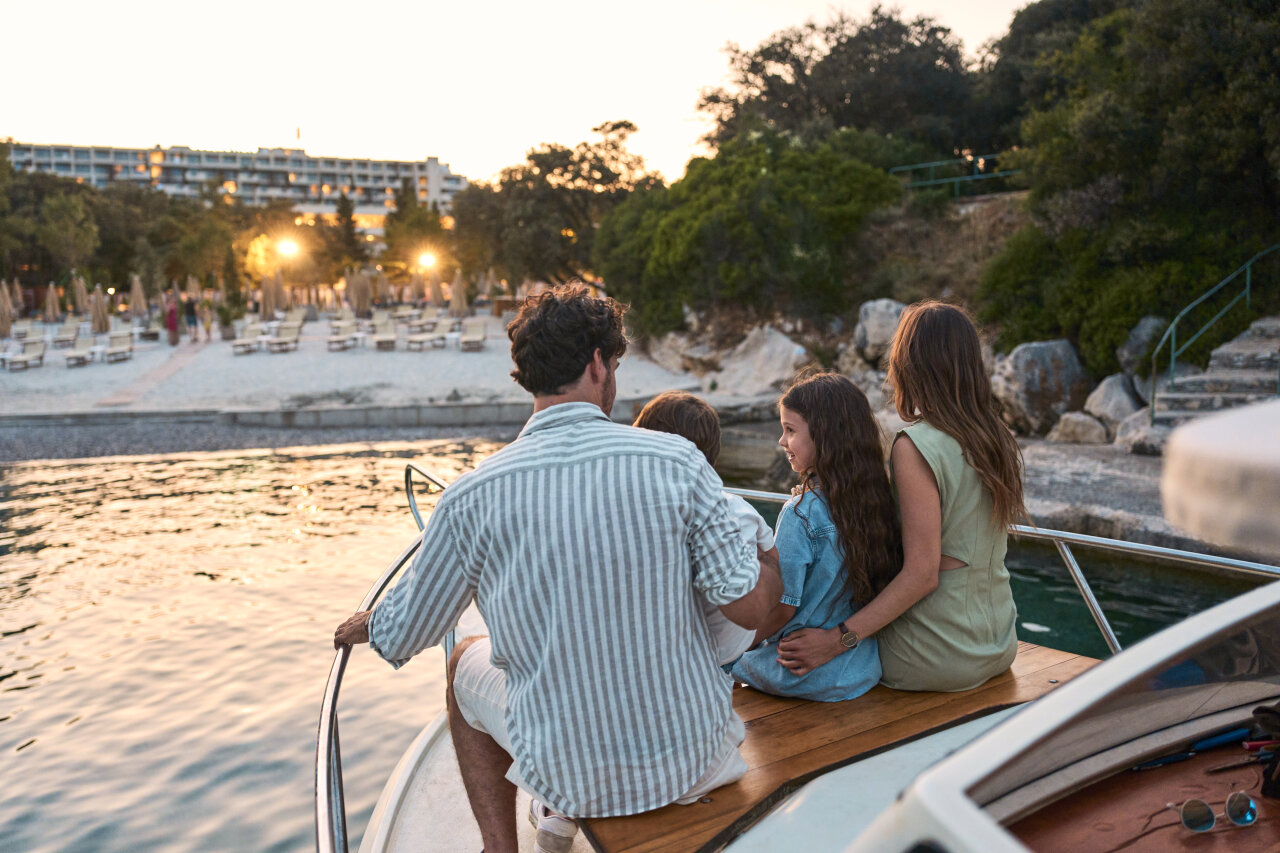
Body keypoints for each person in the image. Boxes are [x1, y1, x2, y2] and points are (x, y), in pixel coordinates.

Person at [333, 284, 782, 853]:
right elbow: (745, 604)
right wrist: (770, 562)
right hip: (696, 762)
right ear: (598, 365)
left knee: (463, 665)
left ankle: (501, 848)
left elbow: (403, 634)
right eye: (614, 364)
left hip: (572, 782)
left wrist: (371, 621)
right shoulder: (677, 461)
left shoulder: (471, 497)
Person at [777, 302, 1026, 693]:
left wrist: (837, 640)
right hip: (997, 644)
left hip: (934, 654)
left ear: (910, 366)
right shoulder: (995, 437)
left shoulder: (915, 446)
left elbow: (921, 575)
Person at [732, 373, 900, 701]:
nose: (781, 441)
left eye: (790, 430)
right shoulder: (876, 503)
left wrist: (736, 649)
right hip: (858, 669)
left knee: (718, 656)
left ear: (825, 437)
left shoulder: (801, 513)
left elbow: (782, 609)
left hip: (797, 672)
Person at [632, 390, 775, 667]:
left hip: (663, 659)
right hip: (728, 655)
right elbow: (774, 565)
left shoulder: (639, 515)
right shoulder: (739, 510)